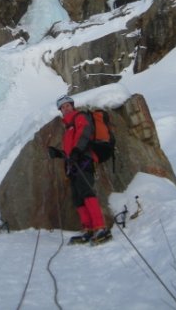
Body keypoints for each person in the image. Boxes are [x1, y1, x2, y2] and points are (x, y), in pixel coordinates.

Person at [49, 94, 112, 244]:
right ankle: (88, 229)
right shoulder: (68, 127)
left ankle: (100, 227)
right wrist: (59, 153)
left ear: (72, 106)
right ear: (61, 111)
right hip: (74, 164)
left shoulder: (79, 116)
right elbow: (69, 151)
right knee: (77, 197)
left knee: (87, 192)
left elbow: (85, 133)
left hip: (85, 160)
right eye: (63, 107)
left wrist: (77, 150)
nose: (66, 108)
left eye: (68, 105)